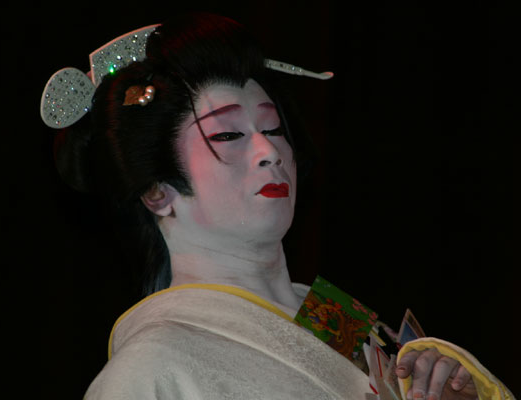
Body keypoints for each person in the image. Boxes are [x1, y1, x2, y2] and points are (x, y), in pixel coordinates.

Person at [40, 12, 513, 400]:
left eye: (272, 129)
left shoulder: (330, 312)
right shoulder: (150, 368)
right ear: (157, 192)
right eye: (229, 135)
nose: (269, 151)